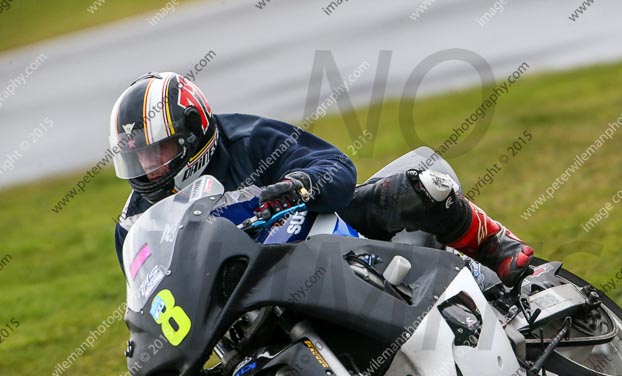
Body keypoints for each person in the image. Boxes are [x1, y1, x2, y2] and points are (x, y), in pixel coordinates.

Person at [111, 72, 535, 286]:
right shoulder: (131, 224)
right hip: (245, 286)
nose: (150, 167)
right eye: (139, 156)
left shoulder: (247, 139)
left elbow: (335, 166)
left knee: (416, 187)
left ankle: (494, 245)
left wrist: (297, 186)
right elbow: (151, 294)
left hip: (316, 235)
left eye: (159, 150)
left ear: (192, 131)